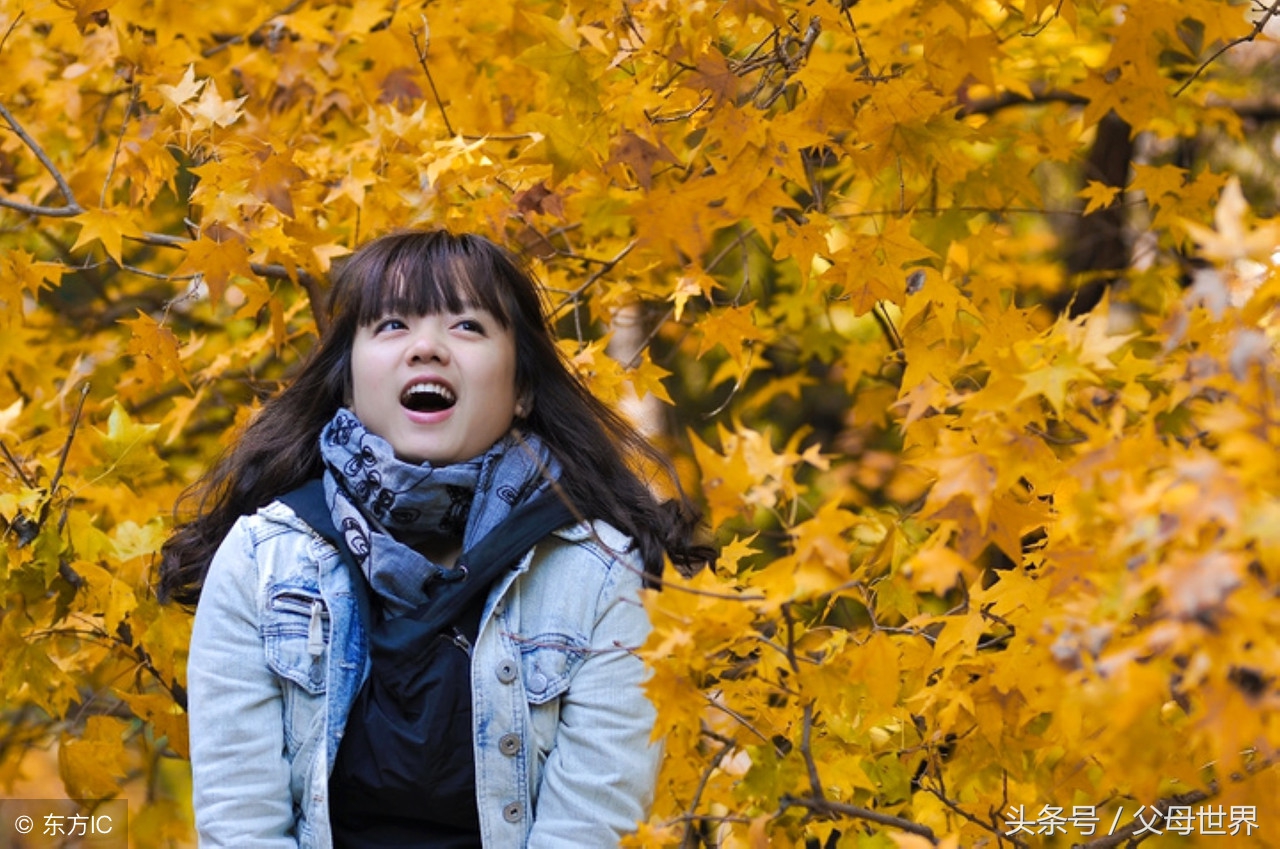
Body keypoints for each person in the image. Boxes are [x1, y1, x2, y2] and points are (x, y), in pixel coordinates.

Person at [158, 230, 708, 848]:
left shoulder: (601, 573)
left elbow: (587, 831)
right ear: (347, 383)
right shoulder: (263, 560)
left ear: (523, 389)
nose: (427, 347)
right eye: (391, 324)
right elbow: (242, 829)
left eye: (468, 326)